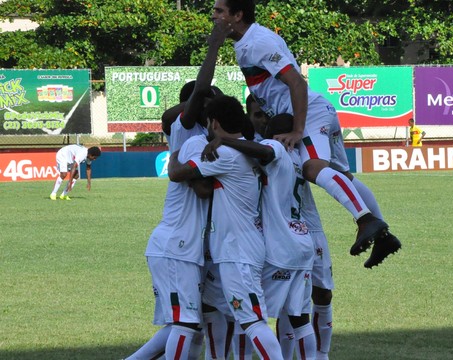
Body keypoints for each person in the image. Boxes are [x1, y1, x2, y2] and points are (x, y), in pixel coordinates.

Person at [210, 0, 401, 268]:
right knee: (341, 176)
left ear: (237, 14)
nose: (213, 16)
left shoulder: (259, 42)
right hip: (314, 109)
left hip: (309, 113)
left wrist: (298, 129)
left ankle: (366, 220)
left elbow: (297, 82)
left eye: (219, 11)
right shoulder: (247, 42)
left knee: (312, 168)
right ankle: (383, 237)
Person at [125, 21, 231, 360]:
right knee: (186, 323)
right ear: (193, 106)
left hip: (185, 246)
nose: (213, 105)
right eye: (208, 100)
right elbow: (201, 190)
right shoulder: (186, 131)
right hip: (175, 245)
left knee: (188, 322)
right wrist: (214, 45)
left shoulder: (202, 134)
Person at [169, 94, 284, 360]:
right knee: (217, 307)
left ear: (214, 123)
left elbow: (177, 174)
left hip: (237, 251)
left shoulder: (225, 154)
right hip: (239, 247)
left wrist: (175, 152)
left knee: (252, 321)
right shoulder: (246, 148)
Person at [243, 96, 334, 359]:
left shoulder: (275, 146)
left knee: (251, 314)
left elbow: (266, 152)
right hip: (302, 240)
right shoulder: (298, 155)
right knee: (299, 317)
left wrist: (224, 141)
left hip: (280, 244)